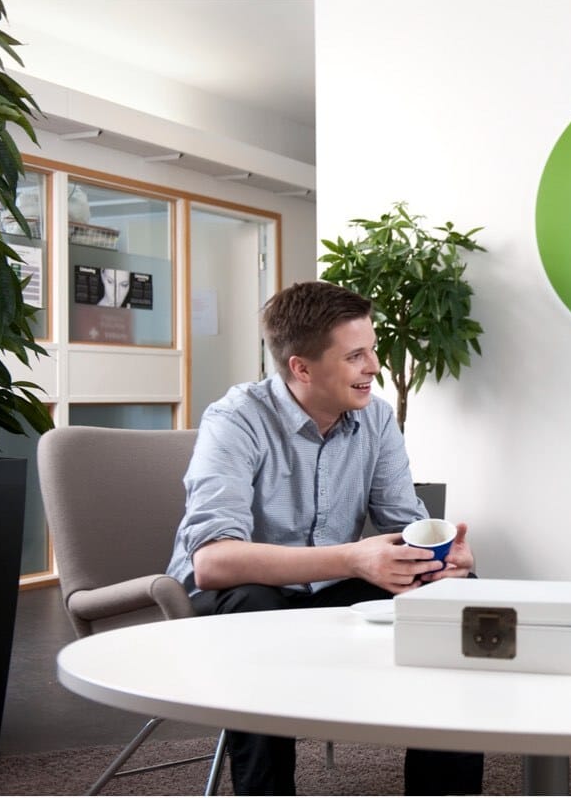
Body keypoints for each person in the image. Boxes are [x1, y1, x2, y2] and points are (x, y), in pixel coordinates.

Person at [166, 280, 484, 796]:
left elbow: (404, 524)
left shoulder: (376, 417)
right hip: (234, 601)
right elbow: (213, 563)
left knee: (452, 599)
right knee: (255, 609)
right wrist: (353, 559)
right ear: (302, 368)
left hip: (328, 593)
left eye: (372, 349)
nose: (374, 366)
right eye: (355, 356)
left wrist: (440, 560)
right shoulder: (236, 418)